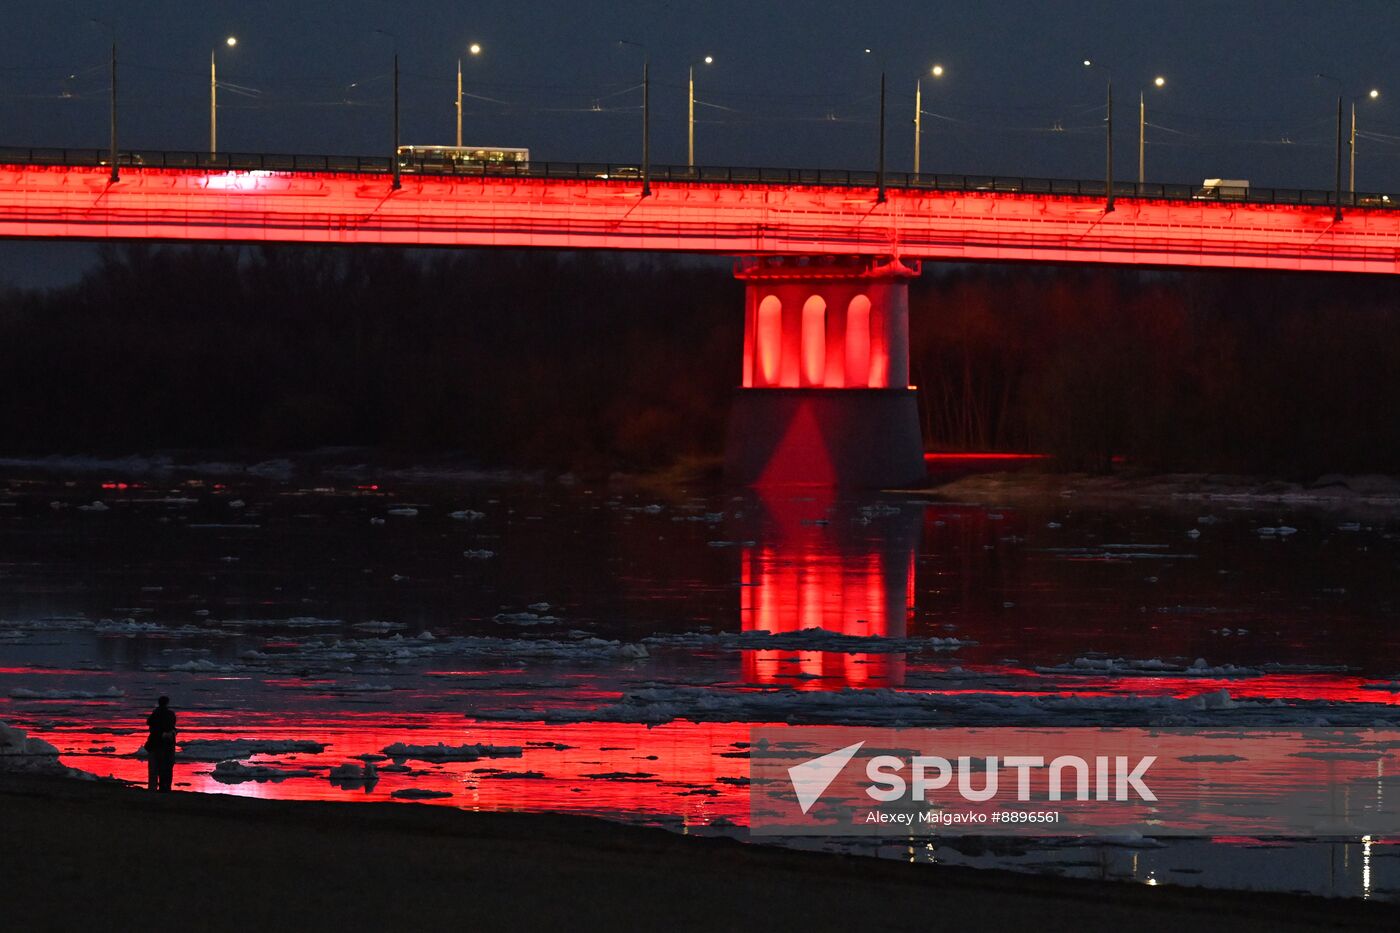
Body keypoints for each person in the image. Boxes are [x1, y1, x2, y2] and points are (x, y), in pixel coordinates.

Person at [145, 696, 177, 792]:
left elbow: (149, 723)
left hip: (155, 744)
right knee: (166, 768)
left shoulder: (155, 713)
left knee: (154, 769)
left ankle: (153, 788)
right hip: (166, 744)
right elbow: (172, 725)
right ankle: (165, 788)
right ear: (167, 703)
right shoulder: (170, 714)